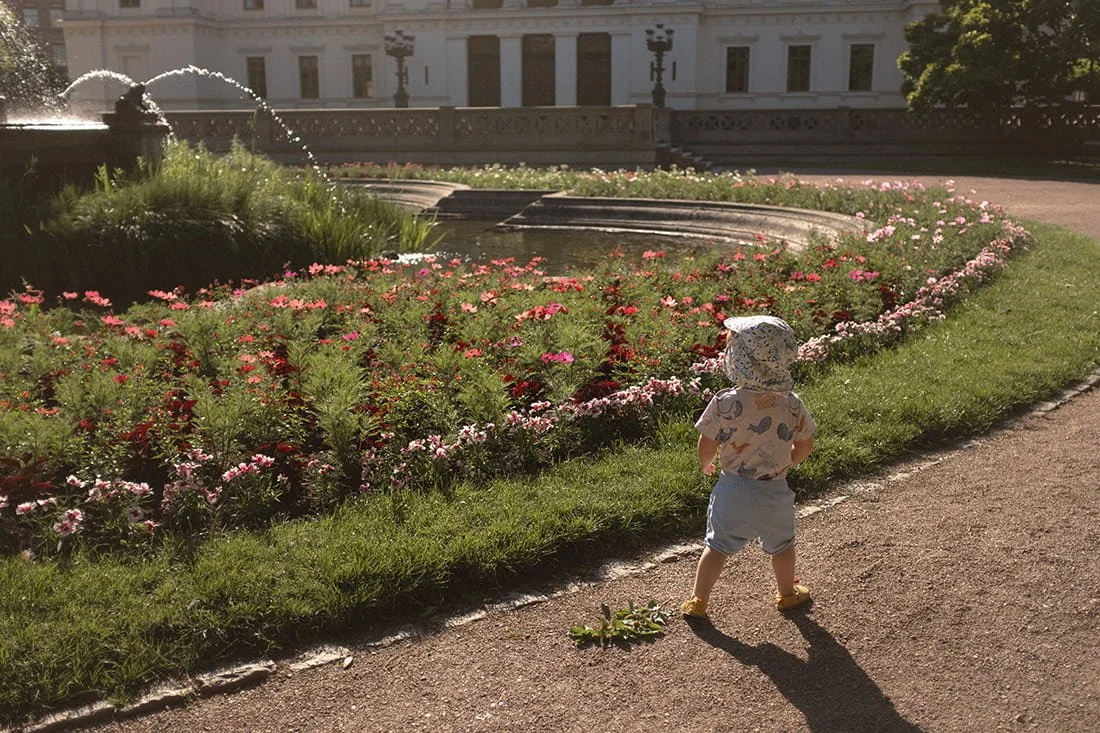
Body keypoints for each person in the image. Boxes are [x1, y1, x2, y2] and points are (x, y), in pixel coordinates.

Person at [681, 315, 816, 619]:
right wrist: (790, 460)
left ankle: (698, 601)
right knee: (783, 546)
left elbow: (707, 442)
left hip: (733, 490)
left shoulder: (725, 402)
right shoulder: (792, 404)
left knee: (716, 547)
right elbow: (806, 444)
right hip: (774, 492)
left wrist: (706, 463)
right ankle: (787, 594)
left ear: (739, 360)